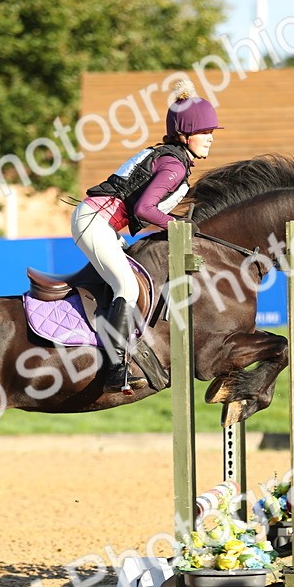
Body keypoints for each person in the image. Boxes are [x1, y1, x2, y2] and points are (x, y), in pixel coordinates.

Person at [74, 80, 222, 394]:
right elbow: (145, 209)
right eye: (205, 132)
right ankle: (114, 369)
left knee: (132, 281)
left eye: (211, 132)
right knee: (127, 286)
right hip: (95, 221)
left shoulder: (171, 158)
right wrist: (178, 225)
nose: (210, 138)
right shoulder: (174, 166)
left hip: (100, 222)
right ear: (185, 135)